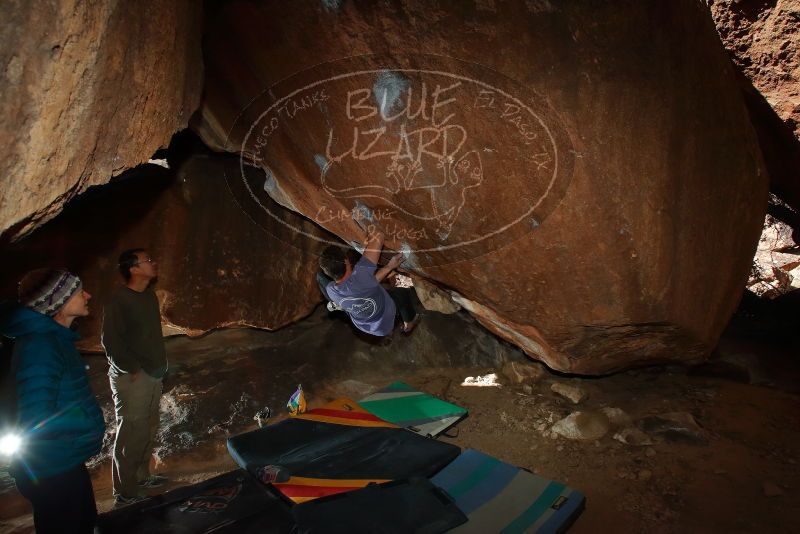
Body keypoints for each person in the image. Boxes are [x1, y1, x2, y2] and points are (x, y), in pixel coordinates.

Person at [0, 269, 105, 534]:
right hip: (52, 467)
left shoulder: (55, 339)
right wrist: (83, 419)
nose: (88, 295)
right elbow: (36, 416)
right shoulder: (41, 346)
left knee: (85, 523)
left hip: (63, 459)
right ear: (57, 302)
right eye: (79, 291)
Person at [101, 248, 168, 506]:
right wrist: (132, 369)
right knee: (132, 431)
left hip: (153, 373)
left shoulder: (148, 296)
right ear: (134, 268)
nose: (154, 262)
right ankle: (125, 490)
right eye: (147, 260)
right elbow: (111, 341)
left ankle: (142, 476)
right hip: (132, 377)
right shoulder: (118, 300)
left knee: (148, 427)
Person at [319, 232, 420, 336]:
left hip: (365, 326)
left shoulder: (331, 290)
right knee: (402, 294)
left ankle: (338, 305)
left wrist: (389, 267)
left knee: (319, 277)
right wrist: (389, 266)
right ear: (346, 261)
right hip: (384, 323)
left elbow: (368, 282)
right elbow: (379, 235)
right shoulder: (361, 275)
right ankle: (409, 323)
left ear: (327, 272)